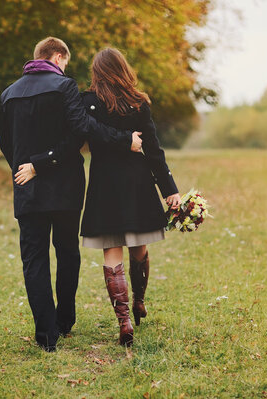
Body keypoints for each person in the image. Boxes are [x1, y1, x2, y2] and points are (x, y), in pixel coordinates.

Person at [0, 37, 143, 352]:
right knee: (66, 253)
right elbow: (80, 131)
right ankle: (64, 322)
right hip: (64, 187)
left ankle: (46, 336)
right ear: (58, 56)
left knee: (33, 260)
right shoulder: (64, 87)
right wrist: (44, 163)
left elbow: (6, 145)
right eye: (64, 62)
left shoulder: (8, 94)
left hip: (27, 190)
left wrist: (26, 170)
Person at [79, 48, 181, 346]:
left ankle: (124, 322)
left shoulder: (88, 103)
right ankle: (138, 301)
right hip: (137, 186)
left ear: (97, 73)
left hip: (105, 187)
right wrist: (169, 189)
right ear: (123, 69)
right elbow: (153, 150)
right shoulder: (139, 102)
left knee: (112, 254)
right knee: (138, 249)